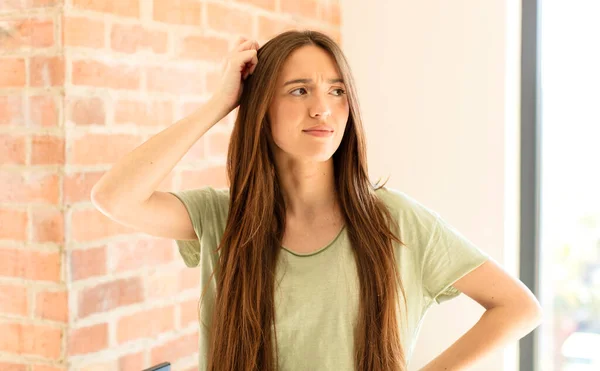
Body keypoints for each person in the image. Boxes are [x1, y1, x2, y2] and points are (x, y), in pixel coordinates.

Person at [91, 30, 543, 371]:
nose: (322, 108)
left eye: (337, 90)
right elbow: (115, 198)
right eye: (299, 90)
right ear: (260, 104)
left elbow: (519, 308)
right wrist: (221, 103)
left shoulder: (396, 221)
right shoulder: (223, 216)